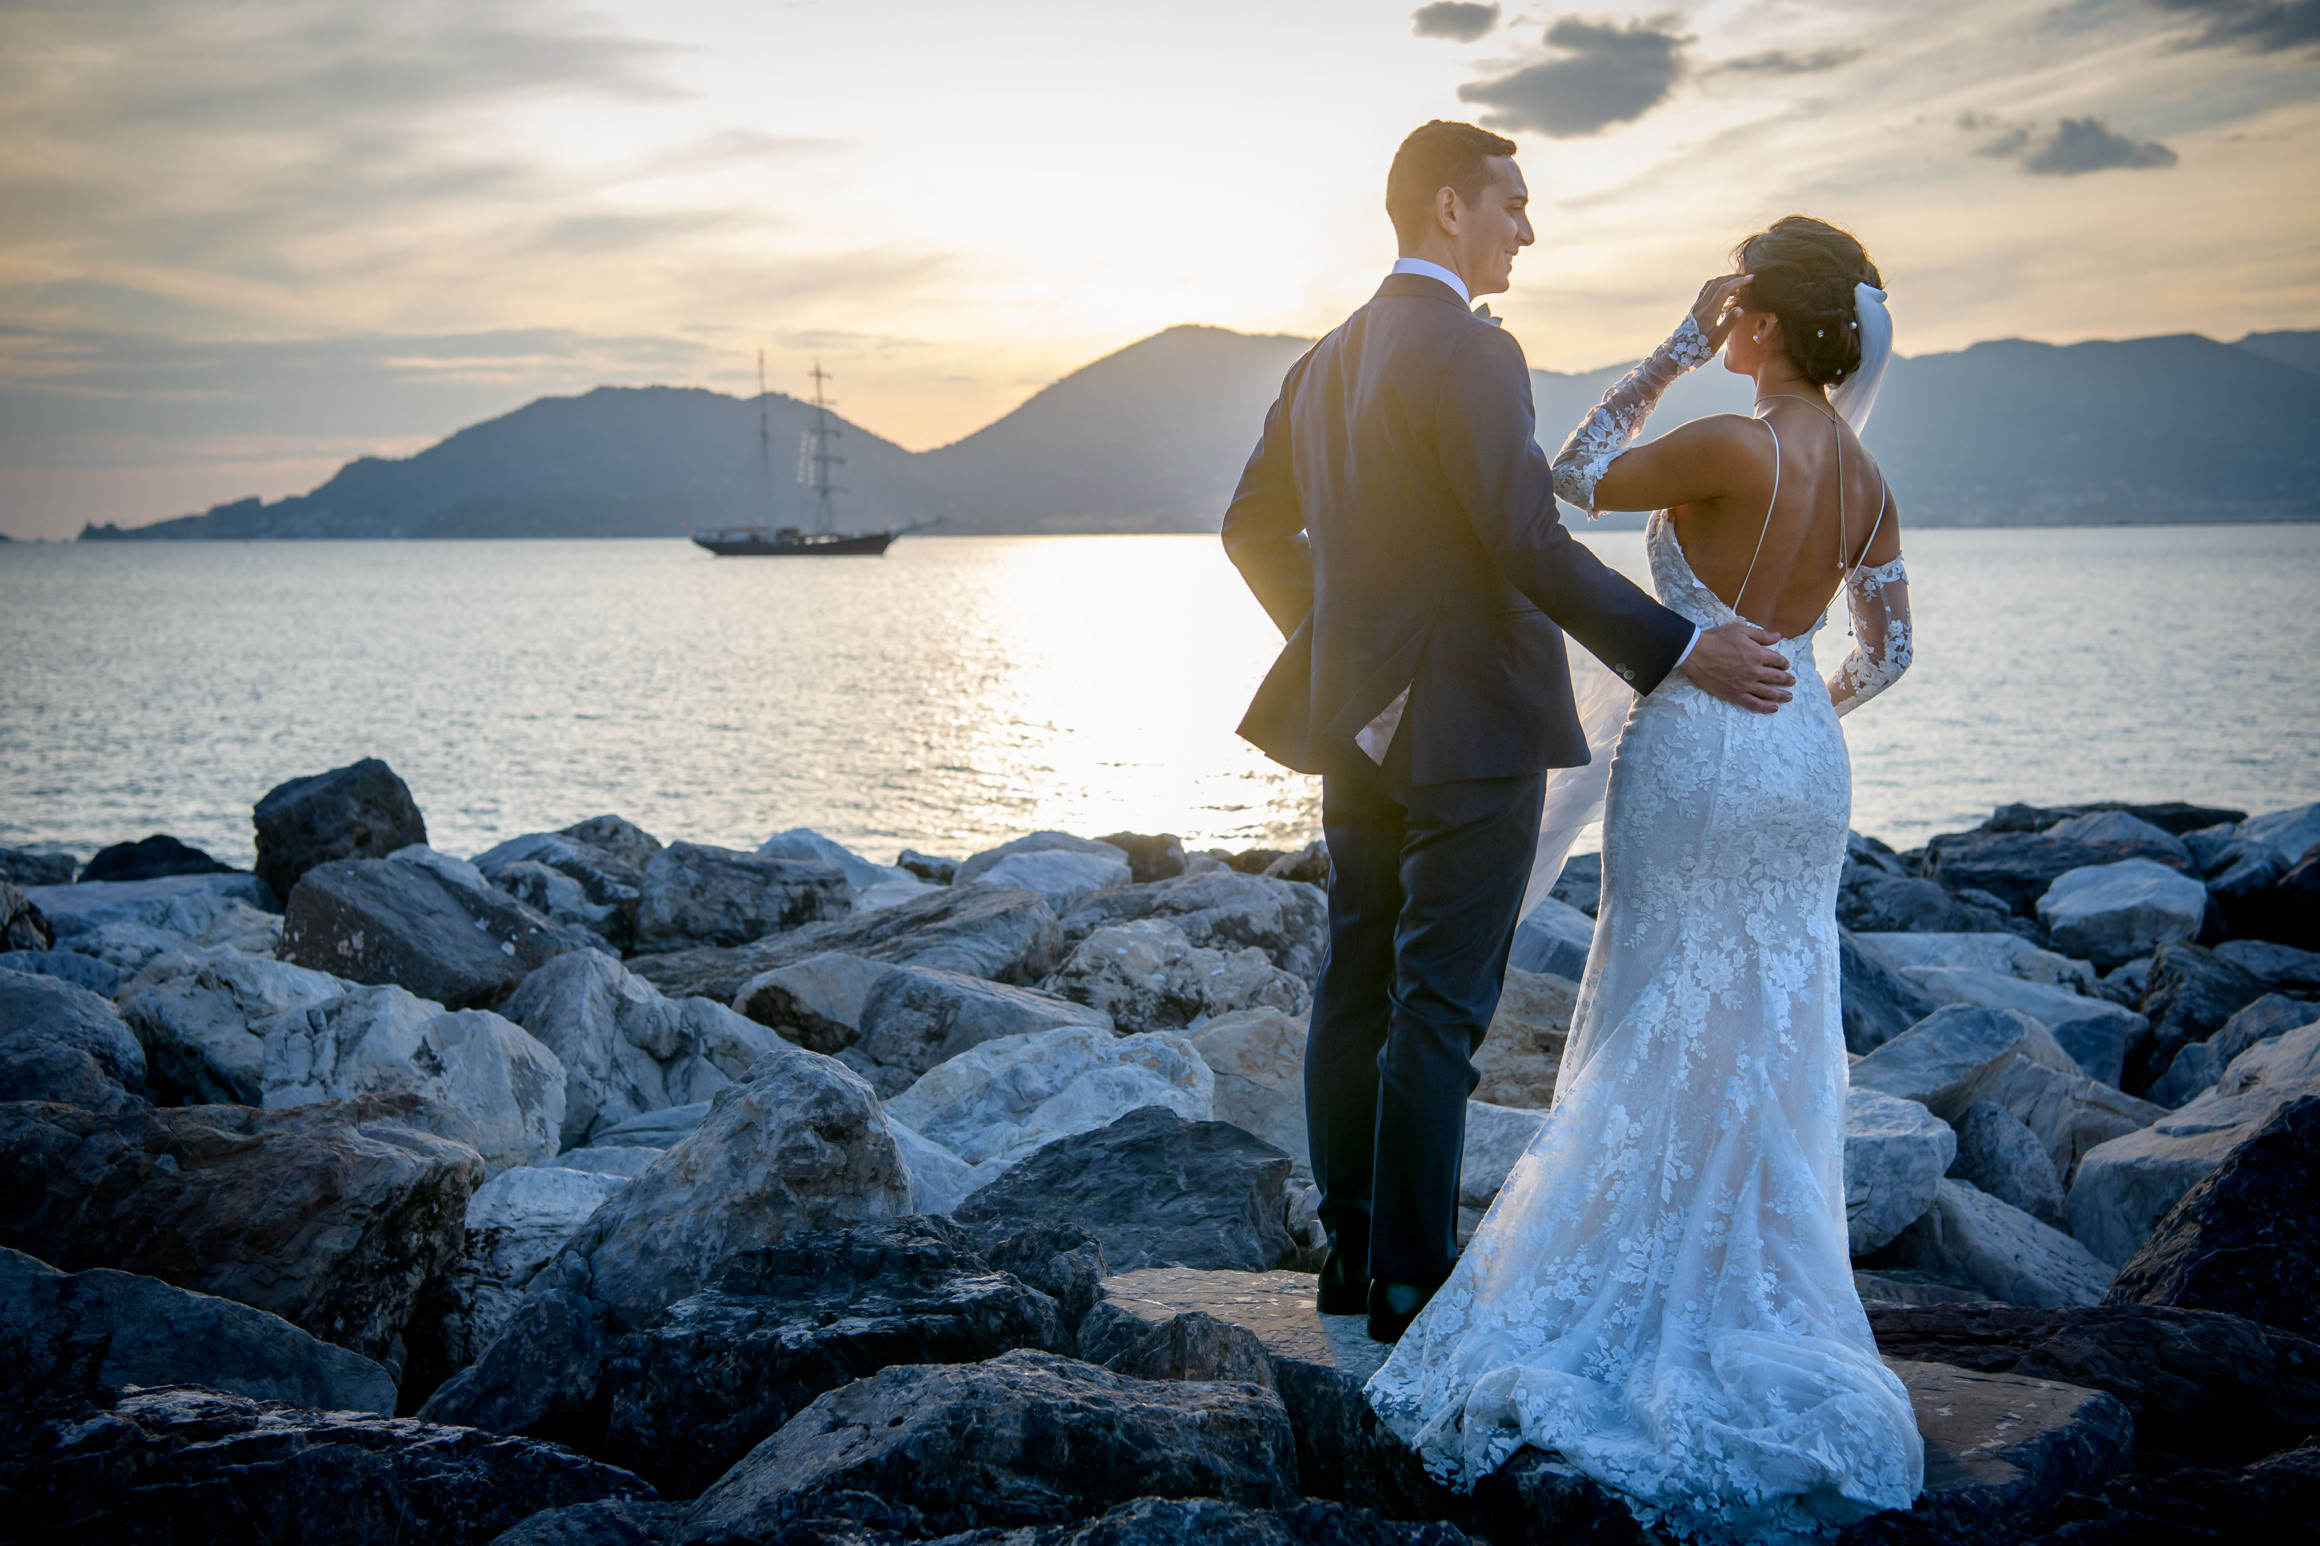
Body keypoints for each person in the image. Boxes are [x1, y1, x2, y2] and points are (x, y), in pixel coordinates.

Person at [1362, 213, 1922, 1542]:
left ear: (1764, 323)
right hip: (1799, 758)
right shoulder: (1867, 476)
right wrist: (1808, 708)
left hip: (1700, 742)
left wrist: (1668, 352)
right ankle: (1753, 1282)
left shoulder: (1732, 439)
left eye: (1733, 307)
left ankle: (1630, 1277)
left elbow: (1569, 475)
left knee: (1660, 997)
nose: (1722, 319)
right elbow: (1890, 654)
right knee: (1773, 1020)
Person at [1221, 119, 1797, 1347]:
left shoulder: (1321, 361)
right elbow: (1525, 544)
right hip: (1473, 725)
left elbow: (1248, 528)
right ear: (1446, 209)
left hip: (1359, 728)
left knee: (1356, 981)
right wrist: (1682, 648)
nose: (1526, 229)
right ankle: (1414, 1284)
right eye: (1512, 204)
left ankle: (1353, 1254)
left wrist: (1347, 652)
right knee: (1436, 1005)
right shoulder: (1479, 356)